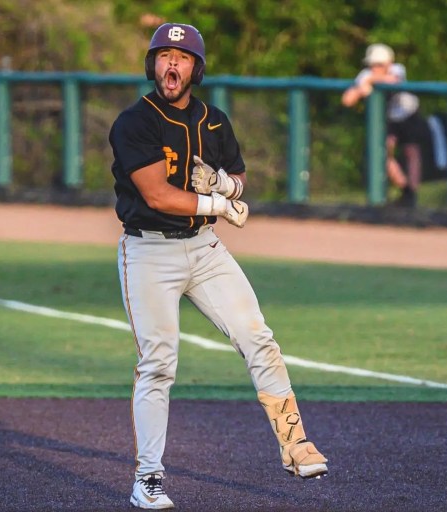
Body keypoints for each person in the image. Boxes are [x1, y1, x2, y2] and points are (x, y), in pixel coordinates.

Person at [109, 22, 329, 510]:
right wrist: (217, 203)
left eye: (182, 57)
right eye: (164, 55)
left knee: (259, 338)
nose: (172, 64)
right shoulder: (134, 122)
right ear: (152, 65)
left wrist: (227, 188)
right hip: (149, 252)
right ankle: (147, 478)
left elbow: (238, 176)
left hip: (204, 249)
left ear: (196, 68)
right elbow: (158, 194)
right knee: (158, 364)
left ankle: (295, 444)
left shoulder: (215, 120)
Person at [341, 43, 423, 207]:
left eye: (380, 64)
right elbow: (347, 100)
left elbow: (392, 81)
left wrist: (370, 81)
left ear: (389, 63)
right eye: (373, 65)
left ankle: (413, 194)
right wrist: (359, 89)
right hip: (390, 118)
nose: (376, 68)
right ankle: (406, 190)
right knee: (383, 153)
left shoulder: (397, 69)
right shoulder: (365, 75)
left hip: (408, 114)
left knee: (411, 151)